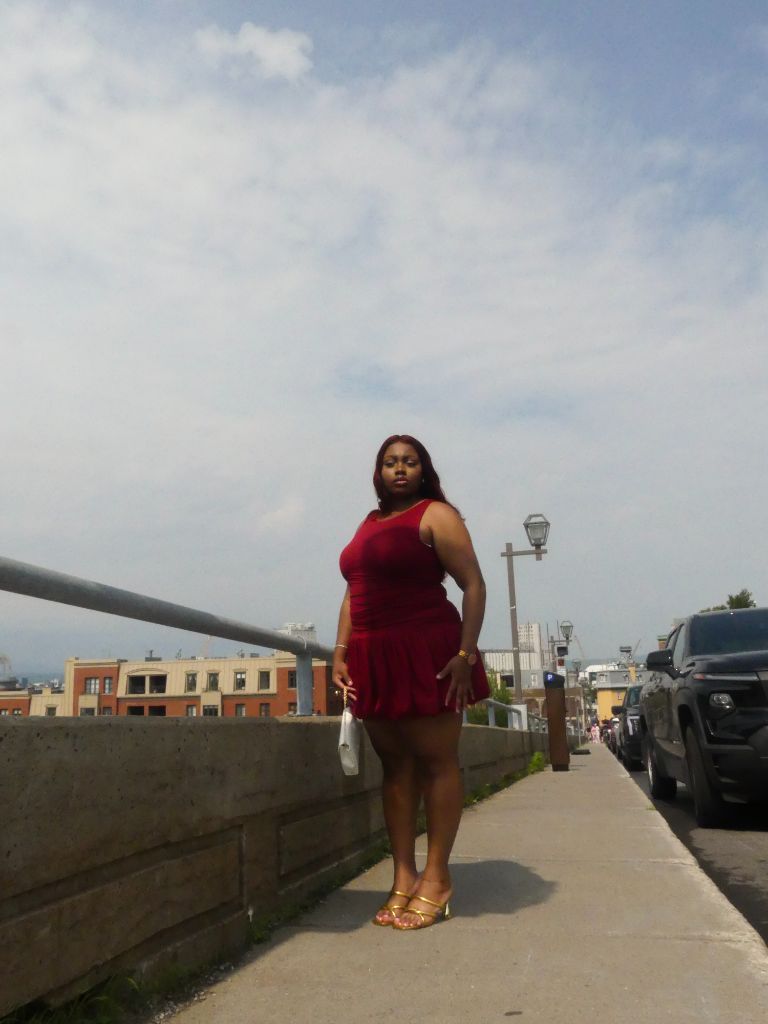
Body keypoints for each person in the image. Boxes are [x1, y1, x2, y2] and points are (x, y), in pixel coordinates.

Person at [334, 434, 490, 930]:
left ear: (423, 470)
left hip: (427, 650)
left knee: (437, 762)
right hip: (373, 656)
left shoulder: (436, 515)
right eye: (389, 462)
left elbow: (473, 584)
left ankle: (438, 877)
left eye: (409, 461)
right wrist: (340, 652)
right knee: (395, 768)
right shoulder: (367, 523)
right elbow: (352, 593)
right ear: (378, 472)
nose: (399, 469)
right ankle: (404, 876)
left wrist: (465, 654)